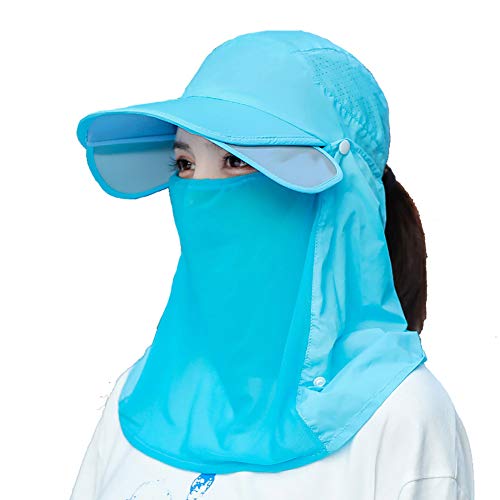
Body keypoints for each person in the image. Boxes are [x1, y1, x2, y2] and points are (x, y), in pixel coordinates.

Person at [70, 30, 475, 499]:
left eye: (236, 160)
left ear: (341, 198)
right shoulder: (139, 399)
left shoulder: (402, 417)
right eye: (185, 164)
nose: (201, 191)